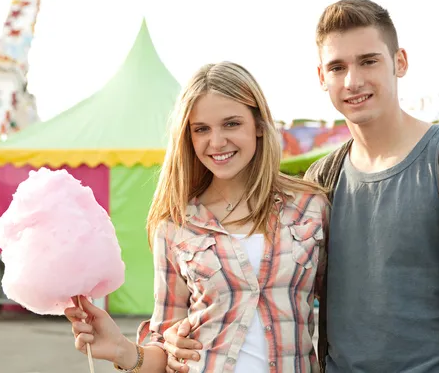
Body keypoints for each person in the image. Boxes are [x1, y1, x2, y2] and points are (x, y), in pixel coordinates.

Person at [162, 0, 439, 373]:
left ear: (400, 62)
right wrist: (181, 335)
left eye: (368, 61)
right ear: (322, 77)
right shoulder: (319, 184)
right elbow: (275, 292)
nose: (353, 80)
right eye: (337, 67)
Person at [65, 61, 329, 372]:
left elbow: (345, 315)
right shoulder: (175, 224)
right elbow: (166, 348)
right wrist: (121, 350)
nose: (216, 142)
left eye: (231, 124)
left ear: (258, 125)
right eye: (201, 129)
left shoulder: (311, 206)